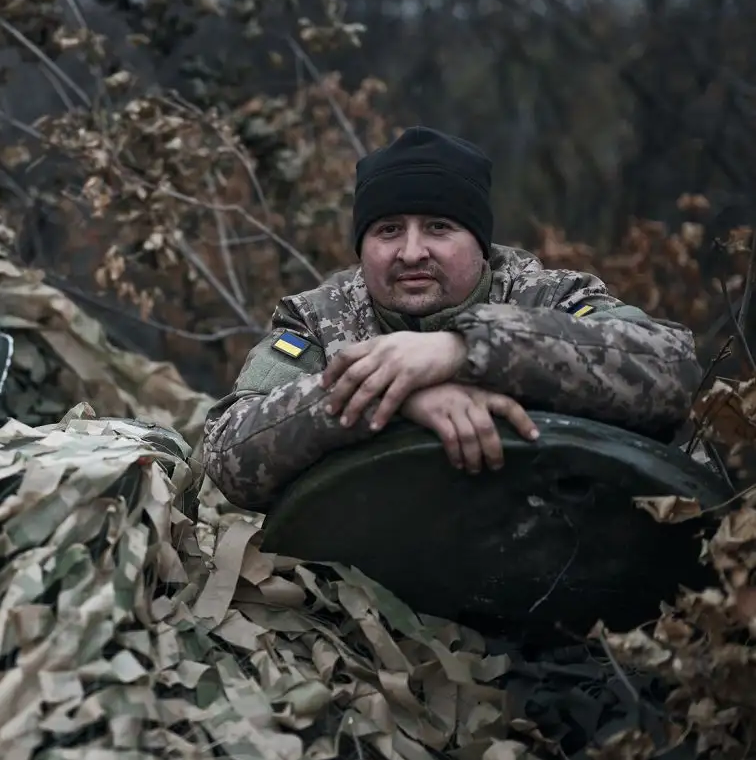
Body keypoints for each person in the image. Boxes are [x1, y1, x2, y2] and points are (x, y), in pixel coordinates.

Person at [202, 126, 703, 513]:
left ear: (480, 245)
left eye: (439, 227)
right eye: (388, 230)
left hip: (562, 569)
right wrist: (394, 395)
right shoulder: (321, 317)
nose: (412, 252)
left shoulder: (547, 296)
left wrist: (466, 351)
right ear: (362, 247)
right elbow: (226, 455)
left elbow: (675, 373)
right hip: (372, 588)